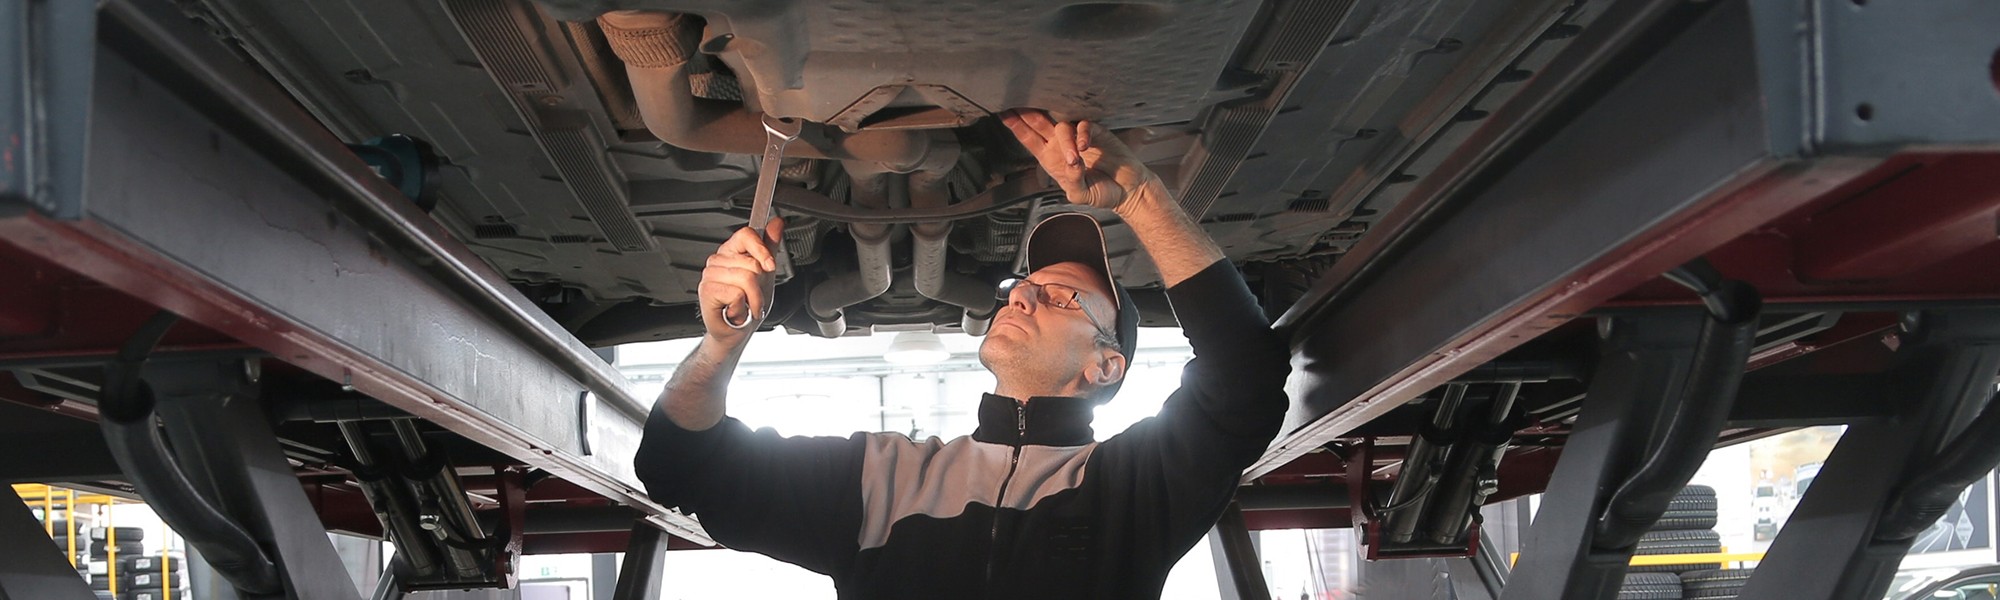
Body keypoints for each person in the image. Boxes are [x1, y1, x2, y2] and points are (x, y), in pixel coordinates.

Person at [635, 109, 1292, 599]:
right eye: (1025, 286)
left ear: (1105, 365)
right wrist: (722, 343)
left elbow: (1245, 382)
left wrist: (1142, 196)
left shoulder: (1133, 487)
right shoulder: (883, 480)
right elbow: (682, 468)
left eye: (1061, 297)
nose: (1023, 297)